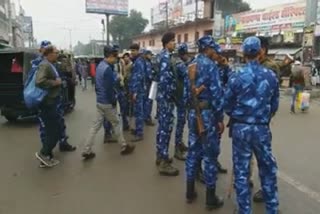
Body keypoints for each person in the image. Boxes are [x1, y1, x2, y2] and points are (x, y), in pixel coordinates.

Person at [224, 36, 279, 214]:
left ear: (244, 53)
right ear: (259, 51)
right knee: (267, 169)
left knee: (241, 171)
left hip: (241, 128)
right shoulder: (270, 75)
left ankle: (244, 210)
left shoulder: (236, 75)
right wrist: (262, 116)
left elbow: (227, 104)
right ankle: (272, 209)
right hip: (262, 128)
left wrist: (240, 115)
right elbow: (275, 104)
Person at [252, 36, 293, 203]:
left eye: (257, 49)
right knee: (246, 155)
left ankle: (267, 189)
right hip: (249, 119)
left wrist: (267, 115)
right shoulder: (254, 65)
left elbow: (272, 97)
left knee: (264, 156)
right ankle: (244, 180)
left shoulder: (269, 67)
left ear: (263, 49)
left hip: (261, 119)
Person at [185, 35, 224, 210]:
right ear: (207, 49)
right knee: (210, 155)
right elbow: (217, 95)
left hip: (193, 113)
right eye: (213, 49)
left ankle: (190, 191)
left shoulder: (191, 64)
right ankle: (210, 198)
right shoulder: (210, 66)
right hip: (207, 114)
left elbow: (188, 94)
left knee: (193, 151)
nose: (215, 52)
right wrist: (220, 119)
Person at [82, 46, 135, 160]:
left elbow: (98, 85)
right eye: (115, 57)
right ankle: (124, 146)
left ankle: (86, 150)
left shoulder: (100, 66)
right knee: (116, 123)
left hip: (100, 101)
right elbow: (109, 88)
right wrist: (113, 101)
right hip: (107, 102)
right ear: (110, 56)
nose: (116, 59)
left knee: (95, 127)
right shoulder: (107, 69)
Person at [156, 32, 180, 176]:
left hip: (163, 98)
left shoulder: (161, 56)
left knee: (161, 129)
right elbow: (165, 81)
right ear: (166, 43)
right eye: (172, 41)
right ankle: (164, 162)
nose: (174, 43)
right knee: (165, 129)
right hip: (166, 99)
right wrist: (173, 94)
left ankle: (160, 155)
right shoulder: (165, 57)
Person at [35, 45, 63, 168]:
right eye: (56, 52)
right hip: (48, 103)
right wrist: (55, 82)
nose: (58, 54)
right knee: (53, 131)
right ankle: (43, 154)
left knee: (54, 130)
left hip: (52, 102)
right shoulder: (45, 65)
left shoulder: (50, 64)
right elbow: (39, 81)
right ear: (49, 54)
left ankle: (45, 158)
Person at [173, 43, 190, 161]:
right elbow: (188, 75)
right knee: (180, 121)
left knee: (181, 121)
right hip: (180, 97)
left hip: (179, 96)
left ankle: (180, 143)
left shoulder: (177, 61)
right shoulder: (180, 64)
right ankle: (177, 147)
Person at [129, 49, 149, 142]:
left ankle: (139, 133)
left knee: (138, 112)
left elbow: (138, 77)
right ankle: (138, 129)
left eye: (134, 51)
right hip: (141, 89)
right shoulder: (141, 61)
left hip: (138, 91)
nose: (132, 53)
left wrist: (135, 92)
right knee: (138, 111)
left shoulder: (138, 62)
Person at [143, 50, 155, 126]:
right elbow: (149, 75)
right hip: (148, 85)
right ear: (147, 55)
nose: (151, 56)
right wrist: (154, 75)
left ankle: (146, 117)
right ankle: (147, 118)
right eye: (150, 55)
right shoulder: (147, 63)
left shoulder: (148, 62)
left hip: (147, 85)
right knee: (148, 102)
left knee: (147, 102)